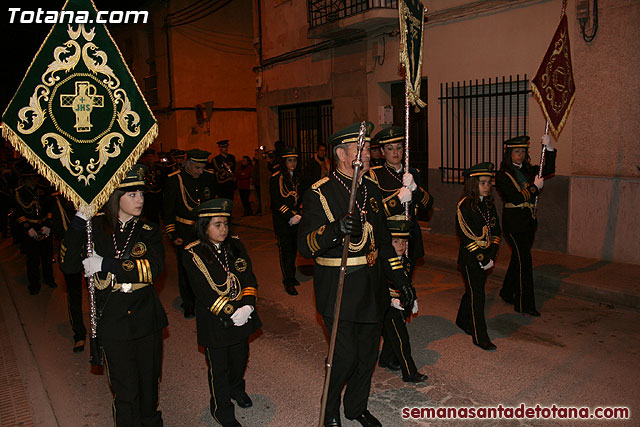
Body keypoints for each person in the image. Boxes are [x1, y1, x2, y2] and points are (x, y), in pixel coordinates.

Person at [298, 122, 415, 427]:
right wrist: (335, 230)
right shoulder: (320, 192)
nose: (368, 153)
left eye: (366, 148)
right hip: (340, 288)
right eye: (361, 148)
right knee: (344, 357)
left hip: (372, 287)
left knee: (367, 356)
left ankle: (356, 408)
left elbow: (385, 243)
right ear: (340, 153)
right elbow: (306, 244)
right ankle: (330, 410)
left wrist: (402, 281)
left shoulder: (371, 188)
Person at [61, 164, 168, 426]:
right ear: (114, 196)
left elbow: (152, 270)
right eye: (131, 194)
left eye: (141, 194)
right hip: (112, 321)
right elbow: (68, 265)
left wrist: (107, 265)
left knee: (149, 383)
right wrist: (78, 222)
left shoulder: (148, 231)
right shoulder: (94, 229)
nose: (140, 200)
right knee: (124, 389)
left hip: (146, 318)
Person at [182, 198, 262, 427]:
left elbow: (248, 277)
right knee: (219, 368)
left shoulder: (236, 245)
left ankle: (237, 389)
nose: (224, 229)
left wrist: (247, 306)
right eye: (217, 224)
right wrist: (230, 312)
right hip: (215, 320)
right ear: (203, 225)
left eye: (226, 224)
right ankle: (221, 409)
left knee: (239, 359)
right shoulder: (193, 253)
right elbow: (203, 292)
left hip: (242, 314)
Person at [495, 135, 556, 316]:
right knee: (525, 261)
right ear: (509, 154)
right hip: (513, 223)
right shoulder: (503, 175)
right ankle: (524, 304)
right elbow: (514, 196)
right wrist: (533, 189)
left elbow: (548, 169)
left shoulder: (530, 171)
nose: (520, 155)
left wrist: (550, 148)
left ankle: (507, 292)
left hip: (529, 221)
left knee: (518, 258)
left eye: (523, 151)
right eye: (516, 152)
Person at [367, 126, 434, 277]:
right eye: (390, 148)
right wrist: (397, 201)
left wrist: (415, 189)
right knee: (388, 281)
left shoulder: (412, 173)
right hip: (389, 236)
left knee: (406, 278)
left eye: (399, 147)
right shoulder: (375, 174)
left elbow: (427, 204)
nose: (396, 152)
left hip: (410, 235)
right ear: (383, 152)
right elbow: (374, 212)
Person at [163, 149, 217, 318]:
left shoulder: (208, 177)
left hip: (205, 230)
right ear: (187, 164)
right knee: (186, 268)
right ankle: (189, 303)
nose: (200, 172)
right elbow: (167, 211)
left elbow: (214, 203)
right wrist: (172, 234)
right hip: (184, 231)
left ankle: (207, 299)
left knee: (208, 266)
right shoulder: (174, 180)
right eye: (197, 168)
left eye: (202, 168)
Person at [455, 162, 502, 351]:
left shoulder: (489, 205)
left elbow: (496, 231)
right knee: (478, 296)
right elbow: (465, 235)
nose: (487, 186)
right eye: (483, 183)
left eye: (489, 182)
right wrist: (482, 258)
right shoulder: (464, 206)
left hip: (486, 256)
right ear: (473, 184)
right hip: (471, 258)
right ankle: (479, 335)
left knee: (474, 291)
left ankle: (462, 319)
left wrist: (492, 255)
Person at [378, 218, 427, 382]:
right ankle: (409, 372)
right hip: (388, 307)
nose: (401, 245)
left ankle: (385, 359)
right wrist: (391, 301)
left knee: (392, 337)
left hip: (401, 303)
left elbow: (406, 281)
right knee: (401, 339)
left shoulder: (405, 261)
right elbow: (378, 285)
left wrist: (414, 298)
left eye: (404, 241)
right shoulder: (382, 263)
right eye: (396, 241)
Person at [51, 190, 87, 352]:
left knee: (101, 293)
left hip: (89, 250)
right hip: (71, 253)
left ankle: (101, 330)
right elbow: (58, 229)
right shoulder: (57, 200)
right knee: (74, 296)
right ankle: (79, 334)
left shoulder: (87, 196)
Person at [14, 163, 56, 294]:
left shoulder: (43, 190)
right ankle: (34, 284)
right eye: (31, 177)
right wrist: (28, 228)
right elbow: (17, 213)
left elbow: (50, 208)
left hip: (43, 226)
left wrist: (48, 225)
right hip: (30, 227)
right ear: (26, 179)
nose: (34, 180)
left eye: (35, 177)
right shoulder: (19, 193)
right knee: (33, 259)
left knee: (47, 256)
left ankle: (49, 279)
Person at [269, 146, 302, 296]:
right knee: (286, 252)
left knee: (294, 250)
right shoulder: (276, 178)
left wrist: (300, 213)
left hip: (296, 218)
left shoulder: (295, 177)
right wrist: (290, 215)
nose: (293, 163)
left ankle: (292, 275)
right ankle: (288, 281)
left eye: (295, 160)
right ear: (284, 161)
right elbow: (276, 202)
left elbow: (299, 197)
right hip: (283, 220)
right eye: (290, 160)